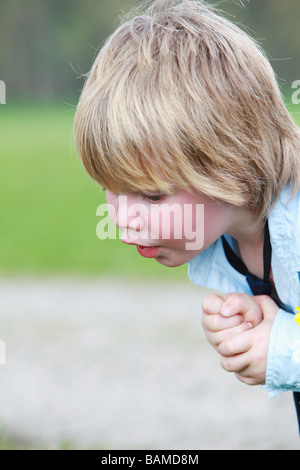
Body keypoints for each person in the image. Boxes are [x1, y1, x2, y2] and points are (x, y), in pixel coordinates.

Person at [73, 0, 300, 429]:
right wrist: (270, 324)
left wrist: (286, 349)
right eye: (110, 187)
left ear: (234, 162)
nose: (123, 219)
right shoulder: (231, 238)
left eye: (152, 196)